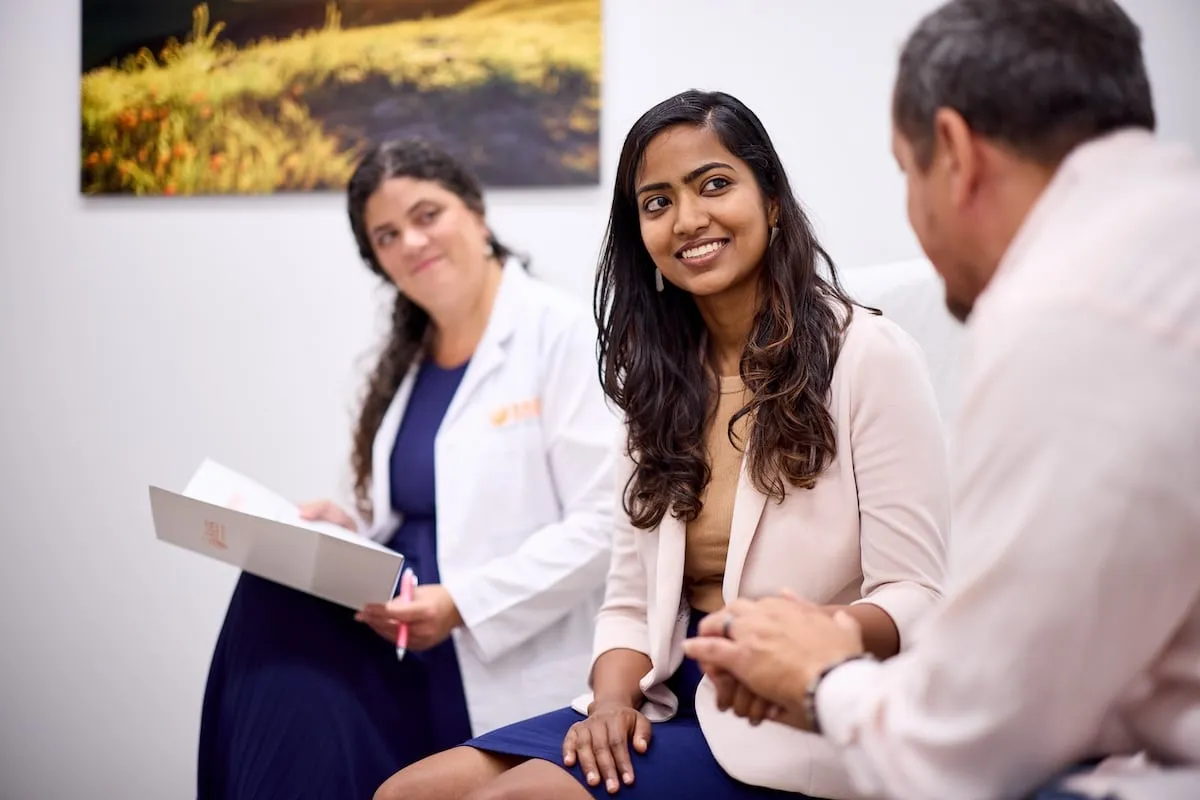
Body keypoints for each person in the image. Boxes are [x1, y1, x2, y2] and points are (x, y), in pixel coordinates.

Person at [683, 1, 1200, 799]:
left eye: (905, 170)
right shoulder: (1163, 242)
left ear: (954, 152)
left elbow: (972, 741)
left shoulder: (1061, 312)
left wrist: (821, 670)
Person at [375, 90, 951, 800]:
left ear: (771, 200)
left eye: (714, 185)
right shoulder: (657, 379)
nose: (688, 220)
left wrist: (810, 641)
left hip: (792, 706)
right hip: (664, 694)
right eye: (657, 202)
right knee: (406, 792)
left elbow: (917, 592)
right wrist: (612, 703)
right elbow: (627, 596)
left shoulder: (868, 356)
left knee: (517, 798)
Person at [197, 138, 618, 799]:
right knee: (272, 592)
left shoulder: (562, 333)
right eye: (387, 235)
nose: (412, 242)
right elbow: (408, 511)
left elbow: (608, 525)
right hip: (399, 630)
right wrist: (348, 524)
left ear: (476, 214)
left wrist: (460, 606)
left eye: (428, 215)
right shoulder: (402, 363)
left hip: (486, 645)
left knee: (278, 626)